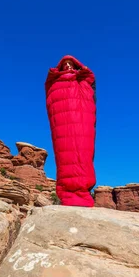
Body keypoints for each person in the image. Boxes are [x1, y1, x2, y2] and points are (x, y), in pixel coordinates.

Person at [45, 55, 96, 207]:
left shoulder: (82, 80)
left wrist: (83, 72)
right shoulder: (55, 82)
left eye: (71, 64)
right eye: (64, 64)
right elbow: (50, 91)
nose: (68, 66)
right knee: (64, 154)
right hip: (63, 123)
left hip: (81, 120)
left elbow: (91, 80)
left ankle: (82, 192)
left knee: (83, 152)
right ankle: (68, 194)